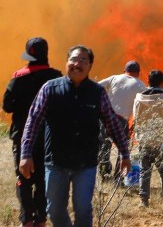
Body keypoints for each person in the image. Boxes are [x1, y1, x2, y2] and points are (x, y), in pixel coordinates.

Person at [18, 45, 131, 227]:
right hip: (56, 162)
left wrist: (125, 154)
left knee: (84, 210)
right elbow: (33, 121)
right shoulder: (50, 89)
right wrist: (25, 154)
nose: (77, 64)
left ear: (90, 66)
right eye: (74, 60)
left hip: (85, 164)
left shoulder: (97, 93)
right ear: (66, 62)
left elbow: (112, 123)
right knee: (54, 210)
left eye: (83, 61)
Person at [3, 37, 62, 227]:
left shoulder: (18, 78)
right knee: (44, 177)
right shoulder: (57, 77)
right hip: (48, 137)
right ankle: (41, 219)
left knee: (24, 178)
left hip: (23, 137)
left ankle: (26, 219)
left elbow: (7, 106)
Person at [133, 69, 163, 209]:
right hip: (161, 141)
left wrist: (140, 136)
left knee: (144, 171)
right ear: (162, 82)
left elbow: (136, 120)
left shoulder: (139, 99)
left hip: (145, 140)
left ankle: (143, 201)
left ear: (148, 81)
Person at [96, 60, 146, 180]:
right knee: (123, 151)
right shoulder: (140, 85)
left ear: (124, 71)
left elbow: (96, 87)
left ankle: (104, 174)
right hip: (121, 121)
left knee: (104, 146)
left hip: (105, 117)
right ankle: (119, 178)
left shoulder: (114, 78)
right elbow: (143, 105)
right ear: (138, 73)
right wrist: (136, 123)